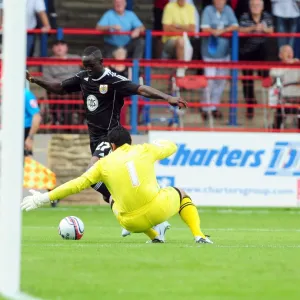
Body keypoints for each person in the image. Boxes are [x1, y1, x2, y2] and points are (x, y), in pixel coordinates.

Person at [26, 45, 187, 235]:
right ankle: (153, 224)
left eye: (91, 65)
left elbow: (141, 89)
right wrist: (36, 80)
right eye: (85, 66)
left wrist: (167, 97)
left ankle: (137, 214)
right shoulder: (83, 77)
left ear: (101, 63)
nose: (88, 69)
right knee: (106, 190)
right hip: (95, 138)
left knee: (91, 176)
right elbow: (60, 88)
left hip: (111, 137)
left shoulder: (113, 80)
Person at [21, 126, 212, 244]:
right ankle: (199, 236)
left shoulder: (103, 164)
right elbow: (172, 146)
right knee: (180, 192)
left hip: (131, 223)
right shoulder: (144, 149)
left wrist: (43, 198)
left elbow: (76, 184)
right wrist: (158, 142)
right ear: (130, 141)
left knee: (113, 199)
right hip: (159, 210)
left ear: (112, 146)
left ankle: (155, 235)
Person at [200, 0, 238, 120]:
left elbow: (235, 25)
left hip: (224, 53)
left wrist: (222, 31)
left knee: (220, 81)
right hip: (209, 53)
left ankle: (214, 107)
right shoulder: (208, 10)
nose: (219, 1)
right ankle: (205, 107)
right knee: (209, 81)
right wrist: (213, 31)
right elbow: (204, 28)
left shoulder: (228, 10)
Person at [239, 0, 273, 119]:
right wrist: (253, 28)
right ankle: (250, 106)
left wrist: (264, 29)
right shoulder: (245, 16)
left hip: (261, 52)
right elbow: (240, 30)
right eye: (253, 5)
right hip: (246, 52)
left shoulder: (267, 16)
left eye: (257, 5)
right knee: (247, 81)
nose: (255, 7)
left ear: (262, 7)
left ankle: (272, 103)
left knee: (267, 74)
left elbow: (272, 30)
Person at [43, 40, 83, 127]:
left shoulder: (76, 58)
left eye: (62, 45)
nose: (59, 47)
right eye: (56, 45)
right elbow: (47, 78)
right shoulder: (48, 61)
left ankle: (80, 123)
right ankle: (65, 123)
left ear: (66, 48)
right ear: (53, 48)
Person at [162, 0, 196, 77]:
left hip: (186, 41)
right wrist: (185, 29)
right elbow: (166, 28)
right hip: (169, 42)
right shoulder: (169, 7)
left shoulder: (190, 8)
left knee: (184, 42)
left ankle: (180, 71)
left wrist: (177, 26)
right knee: (180, 41)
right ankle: (181, 71)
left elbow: (192, 29)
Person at [270, 45, 300, 129]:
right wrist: (288, 65)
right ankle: (276, 131)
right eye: (286, 51)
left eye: (291, 51)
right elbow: (274, 75)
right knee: (279, 109)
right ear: (280, 55)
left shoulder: (298, 65)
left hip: (298, 96)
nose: (289, 53)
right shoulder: (276, 68)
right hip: (284, 97)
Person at [24, 88, 42, 156]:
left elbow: (37, 117)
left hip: (24, 132)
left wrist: (29, 138)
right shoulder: (7, 94)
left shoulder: (26, 95)